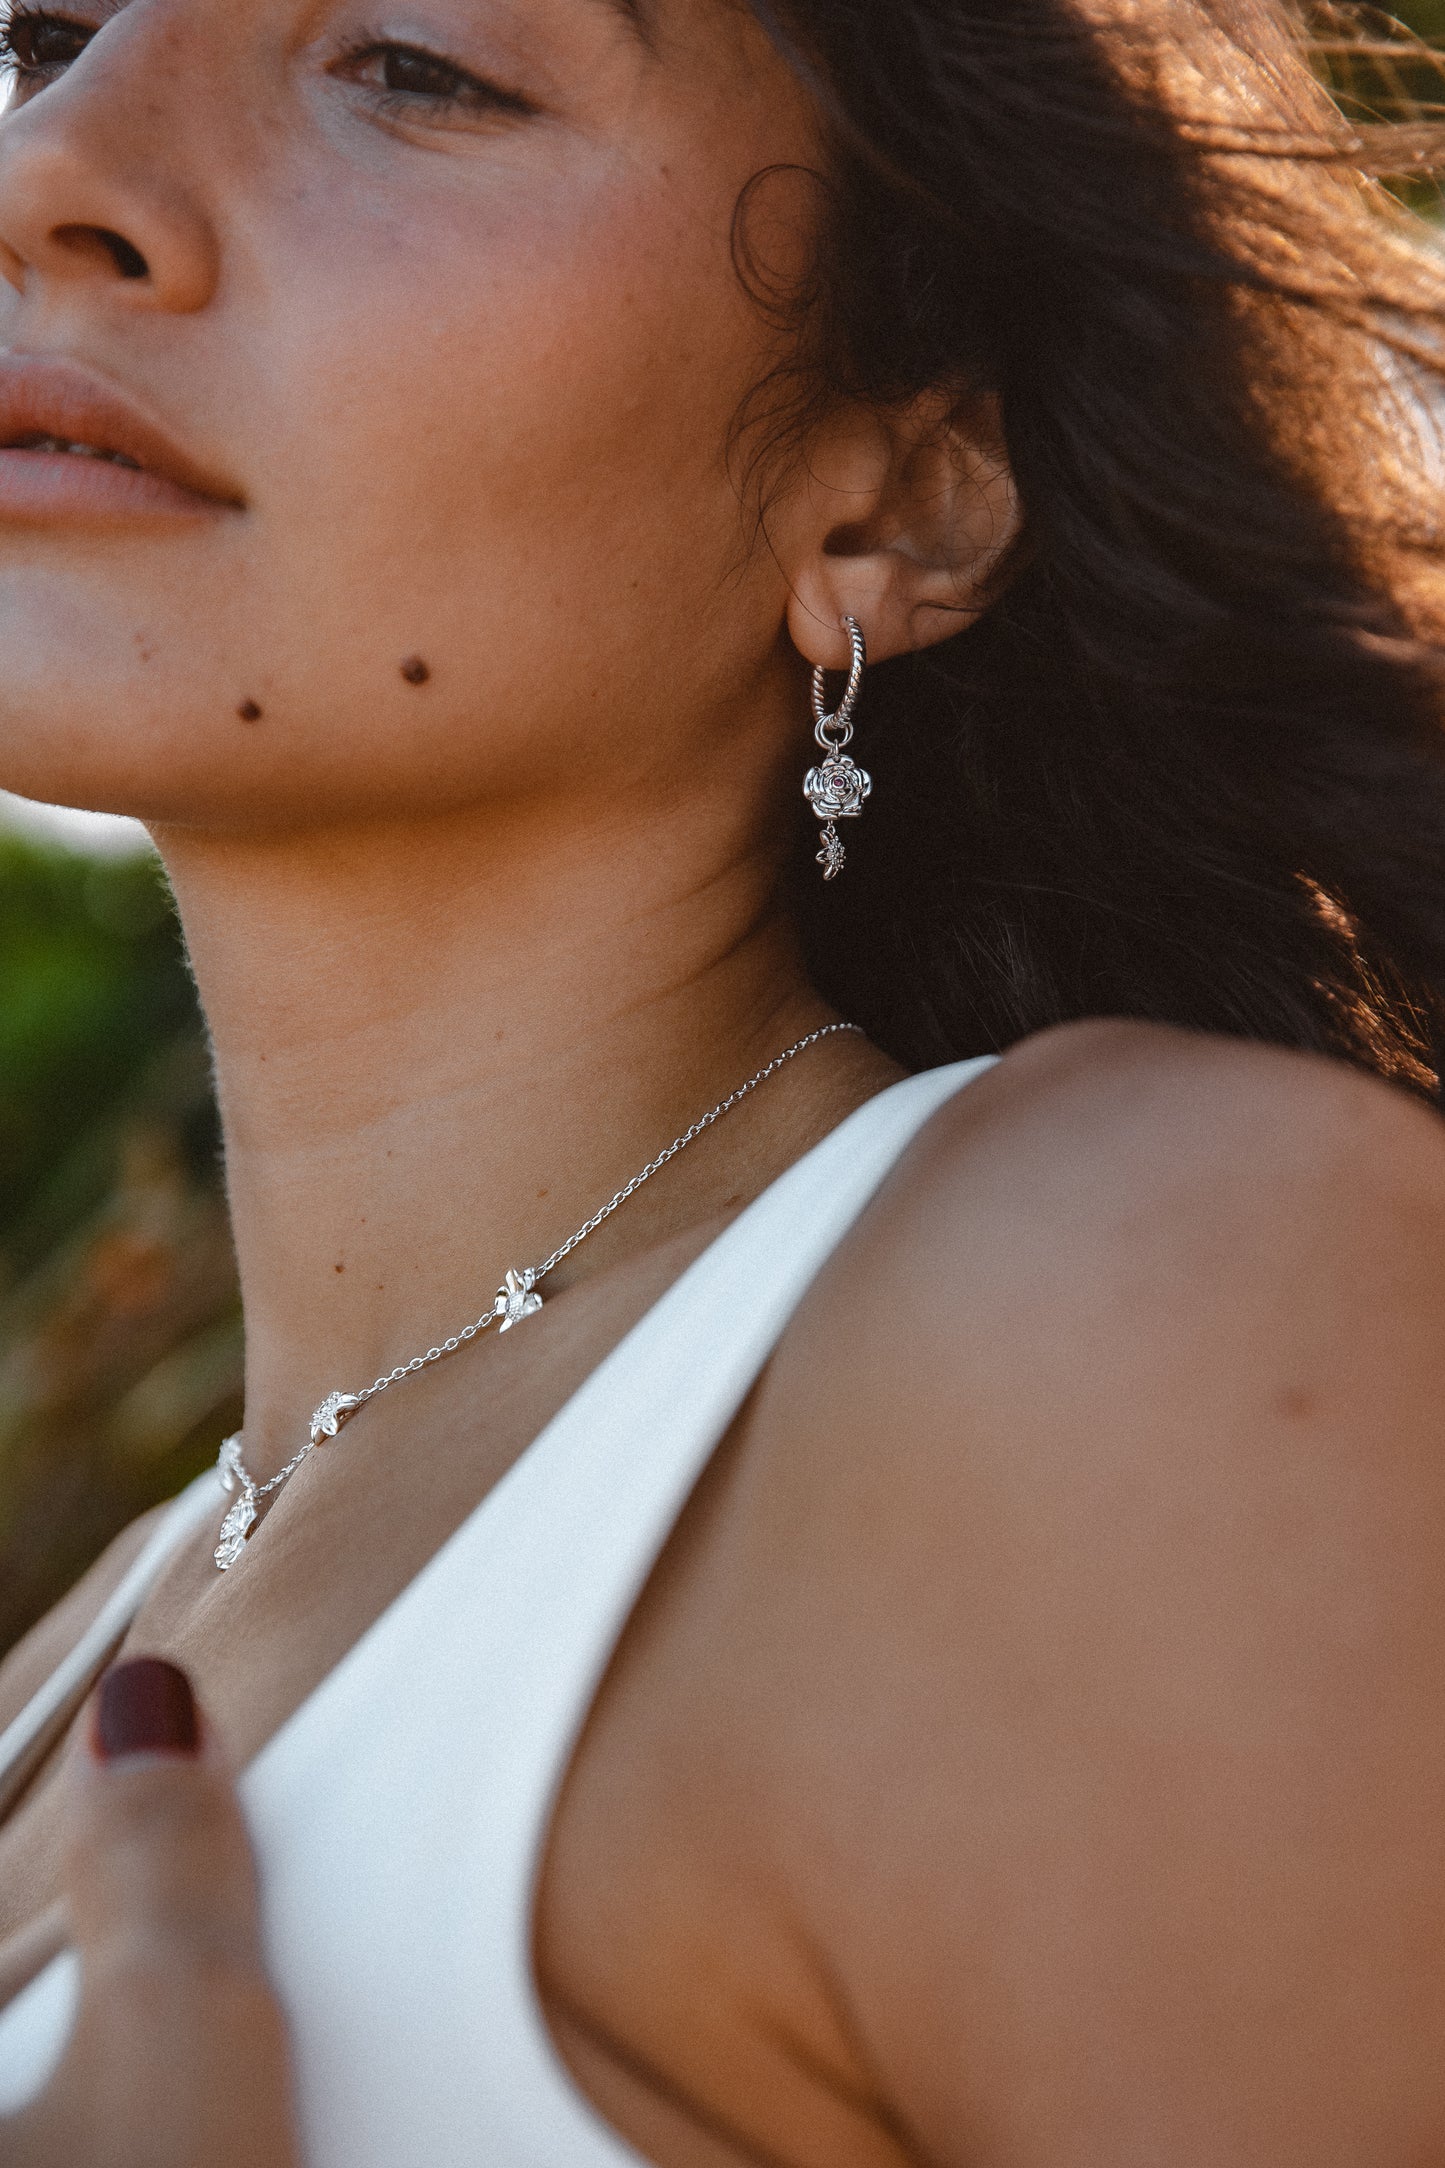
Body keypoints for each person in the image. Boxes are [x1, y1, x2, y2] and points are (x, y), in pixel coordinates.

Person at [1, 0, 1445, 2160]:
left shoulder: (1149, 1304)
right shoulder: (73, 1658)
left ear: (895, 509)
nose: (49, 177)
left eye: (417, 64)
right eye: (45, 39)